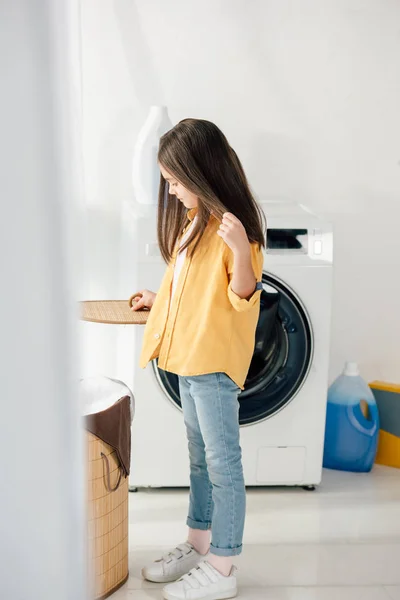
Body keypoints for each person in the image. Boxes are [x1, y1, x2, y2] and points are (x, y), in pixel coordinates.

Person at [131, 118, 265, 600]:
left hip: (212, 367)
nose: (170, 189)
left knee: (223, 464)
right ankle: (199, 542)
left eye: (174, 179)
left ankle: (224, 567)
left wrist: (241, 255)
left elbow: (242, 297)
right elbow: (184, 286)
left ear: (201, 171)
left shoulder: (235, 231)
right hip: (187, 362)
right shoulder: (194, 225)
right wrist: (156, 298)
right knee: (200, 461)